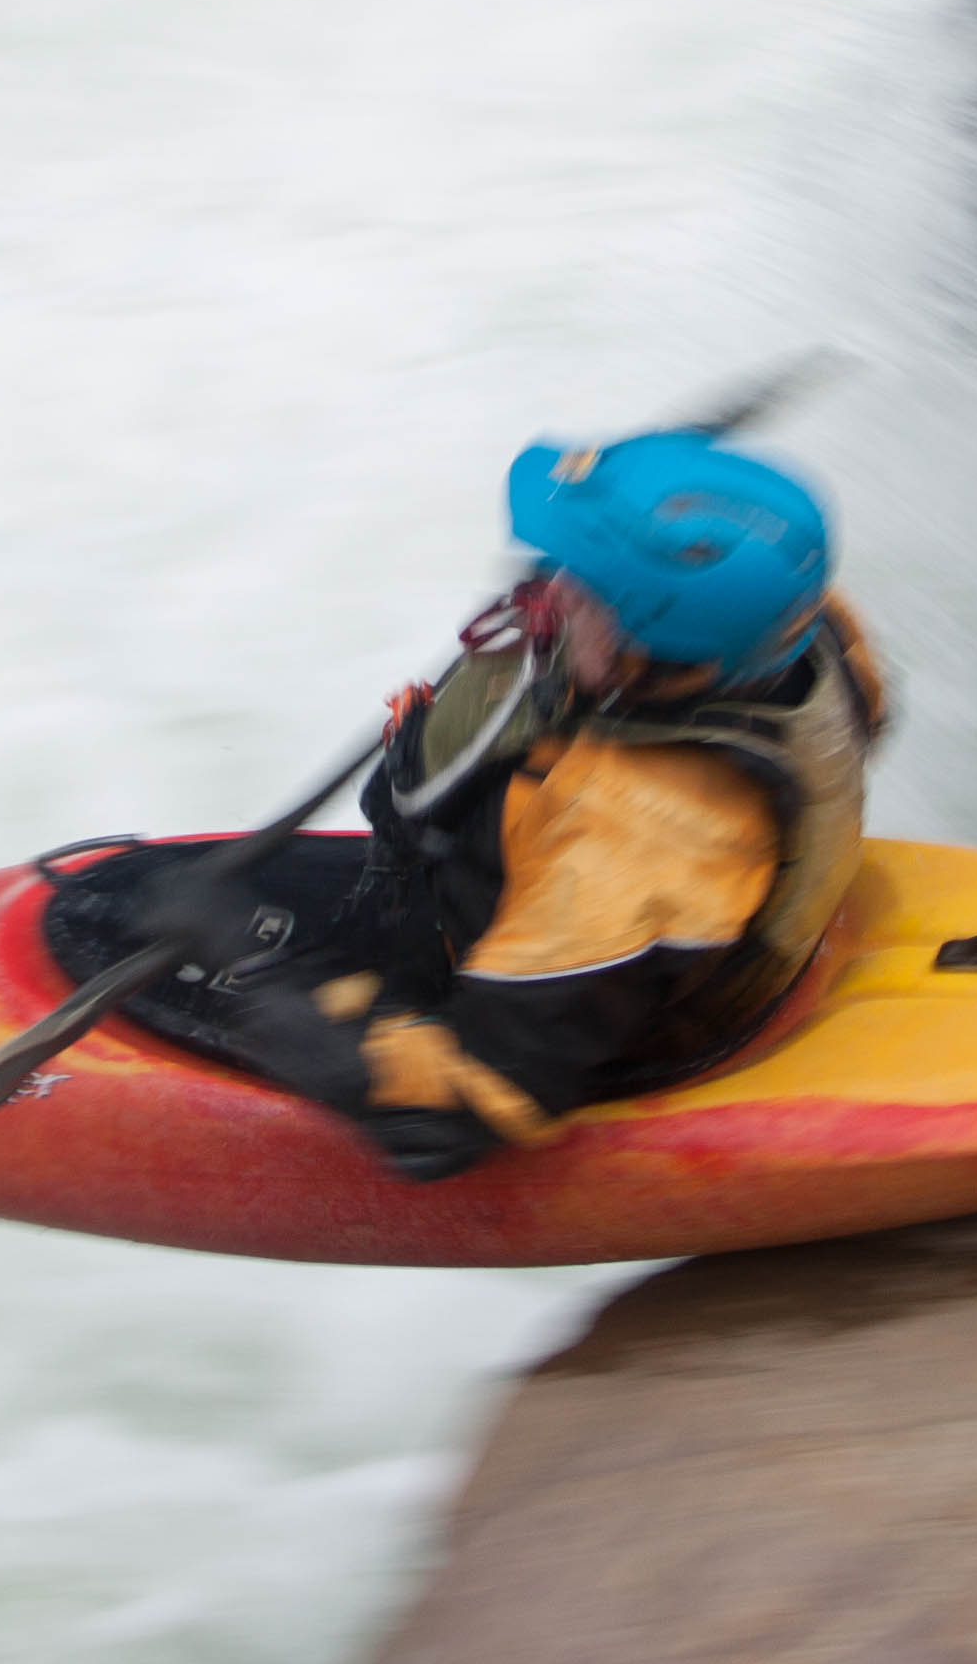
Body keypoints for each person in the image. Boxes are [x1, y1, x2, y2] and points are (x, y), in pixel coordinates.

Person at [144, 426, 890, 1179]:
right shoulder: (791, 627)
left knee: (161, 923)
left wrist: (254, 969)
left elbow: (468, 1100)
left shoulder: (636, 838)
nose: (550, 592)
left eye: (584, 596)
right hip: (535, 900)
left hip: (555, 1010)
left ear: (658, 650)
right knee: (147, 893)